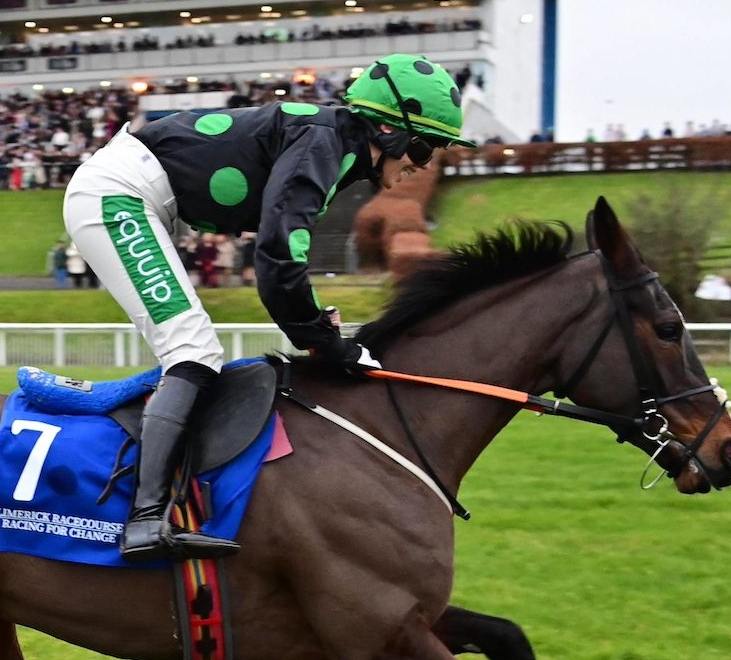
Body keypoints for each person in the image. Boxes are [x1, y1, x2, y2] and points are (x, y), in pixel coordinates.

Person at [62, 51, 473, 562]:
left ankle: (169, 491)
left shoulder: (334, 146)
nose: (424, 163)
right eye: (425, 146)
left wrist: (320, 327)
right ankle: (145, 521)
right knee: (192, 351)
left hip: (143, 196)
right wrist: (325, 342)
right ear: (390, 131)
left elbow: (285, 258)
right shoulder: (324, 142)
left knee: (193, 351)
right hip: (118, 194)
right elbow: (277, 257)